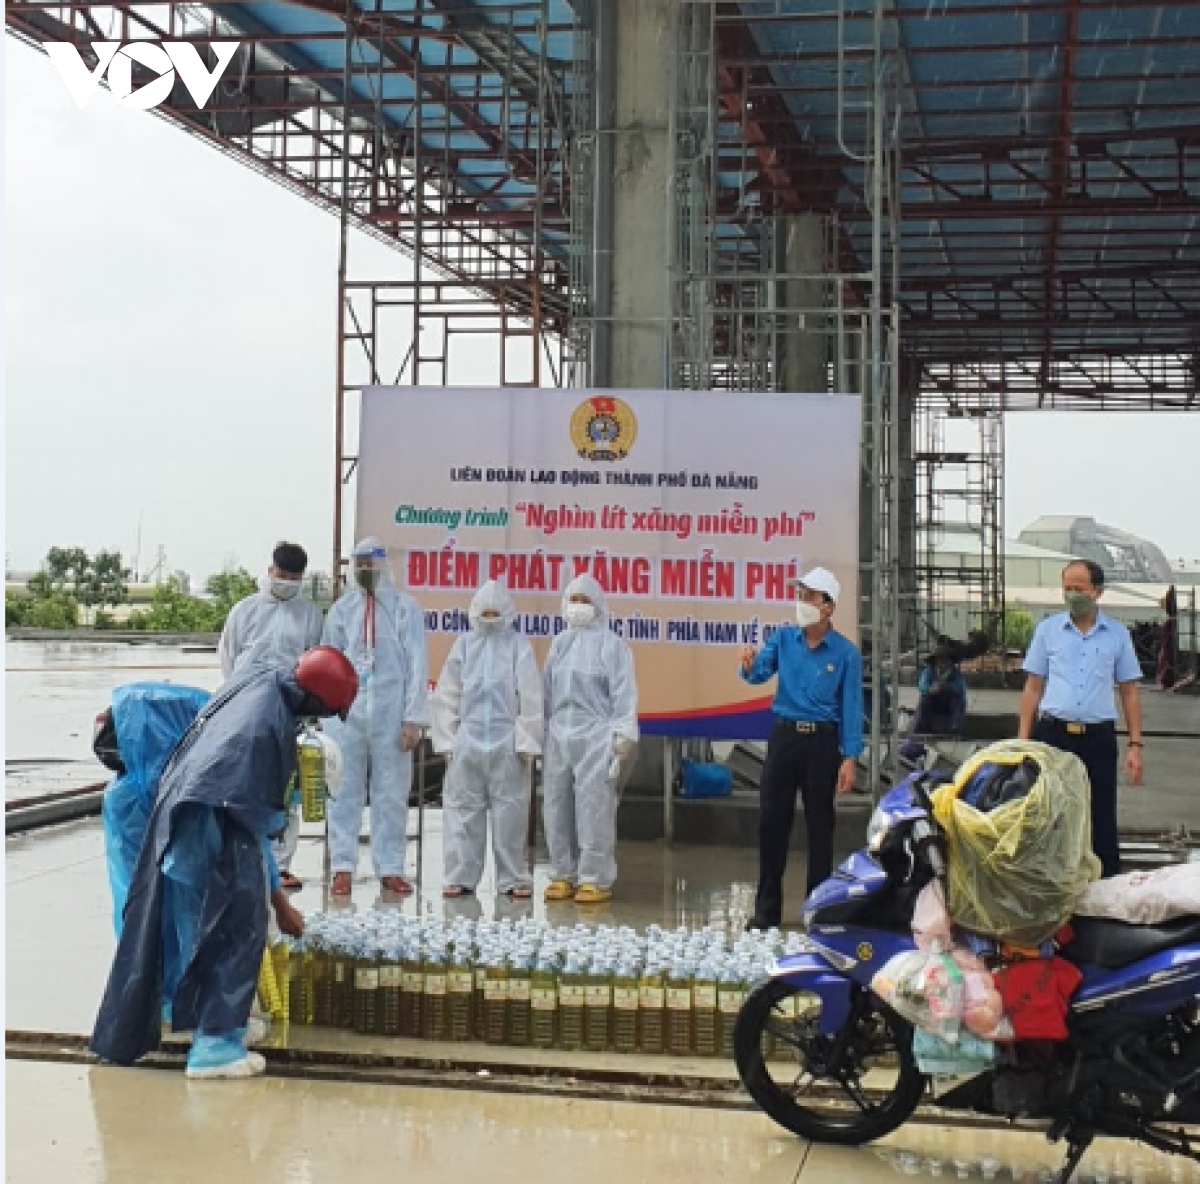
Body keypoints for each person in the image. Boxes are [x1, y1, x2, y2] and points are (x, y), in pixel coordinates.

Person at [91, 647, 358, 1079]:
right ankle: (216, 1045)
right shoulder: (262, 733)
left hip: (189, 810)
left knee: (193, 925)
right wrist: (267, 900)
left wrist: (279, 900)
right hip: (195, 817)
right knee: (233, 927)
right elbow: (248, 829)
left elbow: (254, 833)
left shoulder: (266, 688)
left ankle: (196, 1016)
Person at [739, 567, 863, 930]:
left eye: (810, 596)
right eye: (801, 595)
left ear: (829, 606)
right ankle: (766, 912)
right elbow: (759, 672)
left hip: (822, 743)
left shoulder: (845, 654)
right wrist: (748, 665)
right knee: (771, 824)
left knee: (820, 828)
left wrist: (850, 757)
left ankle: (818, 911)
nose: (803, 603)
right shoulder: (783, 639)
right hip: (785, 738)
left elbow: (851, 708)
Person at [1018, 559, 1144, 878]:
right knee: (1049, 812)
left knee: (1099, 815)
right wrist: (1022, 740)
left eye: (1080, 589)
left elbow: (1129, 692)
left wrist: (1135, 745)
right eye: (1067, 589)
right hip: (1053, 734)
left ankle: (1104, 888)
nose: (1073, 595)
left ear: (1098, 592)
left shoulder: (1116, 635)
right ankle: (1047, 885)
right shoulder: (1048, 631)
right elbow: (1033, 687)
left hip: (1097, 738)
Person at [322, 538, 429, 897]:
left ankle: (391, 868)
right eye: (360, 564)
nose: (366, 571)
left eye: (371, 564)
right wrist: (328, 713)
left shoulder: (404, 608)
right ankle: (342, 866)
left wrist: (413, 717)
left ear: (384, 565)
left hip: (390, 713)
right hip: (347, 714)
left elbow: (417, 664)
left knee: (391, 793)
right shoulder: (341, 610)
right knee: (342, 791)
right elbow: (329, 660)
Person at [217, 541, 324, 890]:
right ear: (270, 570)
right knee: (246, 784)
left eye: (294, 577)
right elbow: (229, 658)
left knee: (287, 787)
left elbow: (314, 662)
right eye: (282, 575)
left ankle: (281, 865)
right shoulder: (244, 610)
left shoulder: (310, 615)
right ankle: (247, 859)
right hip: (246, 709)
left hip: (289, 709)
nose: (287, 582)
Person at [430, 580, 543, 900]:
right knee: (463, 812)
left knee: (511, 814)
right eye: (485, 612)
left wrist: (526, 743)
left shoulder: (518, 646)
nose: (490, 618)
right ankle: (460, 876)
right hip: (469, 740)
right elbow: (448, 694)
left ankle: (513, 878)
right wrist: (450, 741)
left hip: (507, 742)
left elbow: (530, 695)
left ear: (507, 613)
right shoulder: (464, 645)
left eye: (496, 612)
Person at [542, 574, 639, 905]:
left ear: (598, 606)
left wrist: (623, 733)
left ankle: (594, 878)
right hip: (558, 735)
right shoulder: (559, 643)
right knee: (555, 805)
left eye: (585, 601)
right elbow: (546, 692)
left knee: (593, 807)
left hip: (595, 736)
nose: (578, 607)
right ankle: (562, 873)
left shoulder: (612, 646)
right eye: (574, 600)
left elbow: (623, 694)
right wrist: (538, 733)